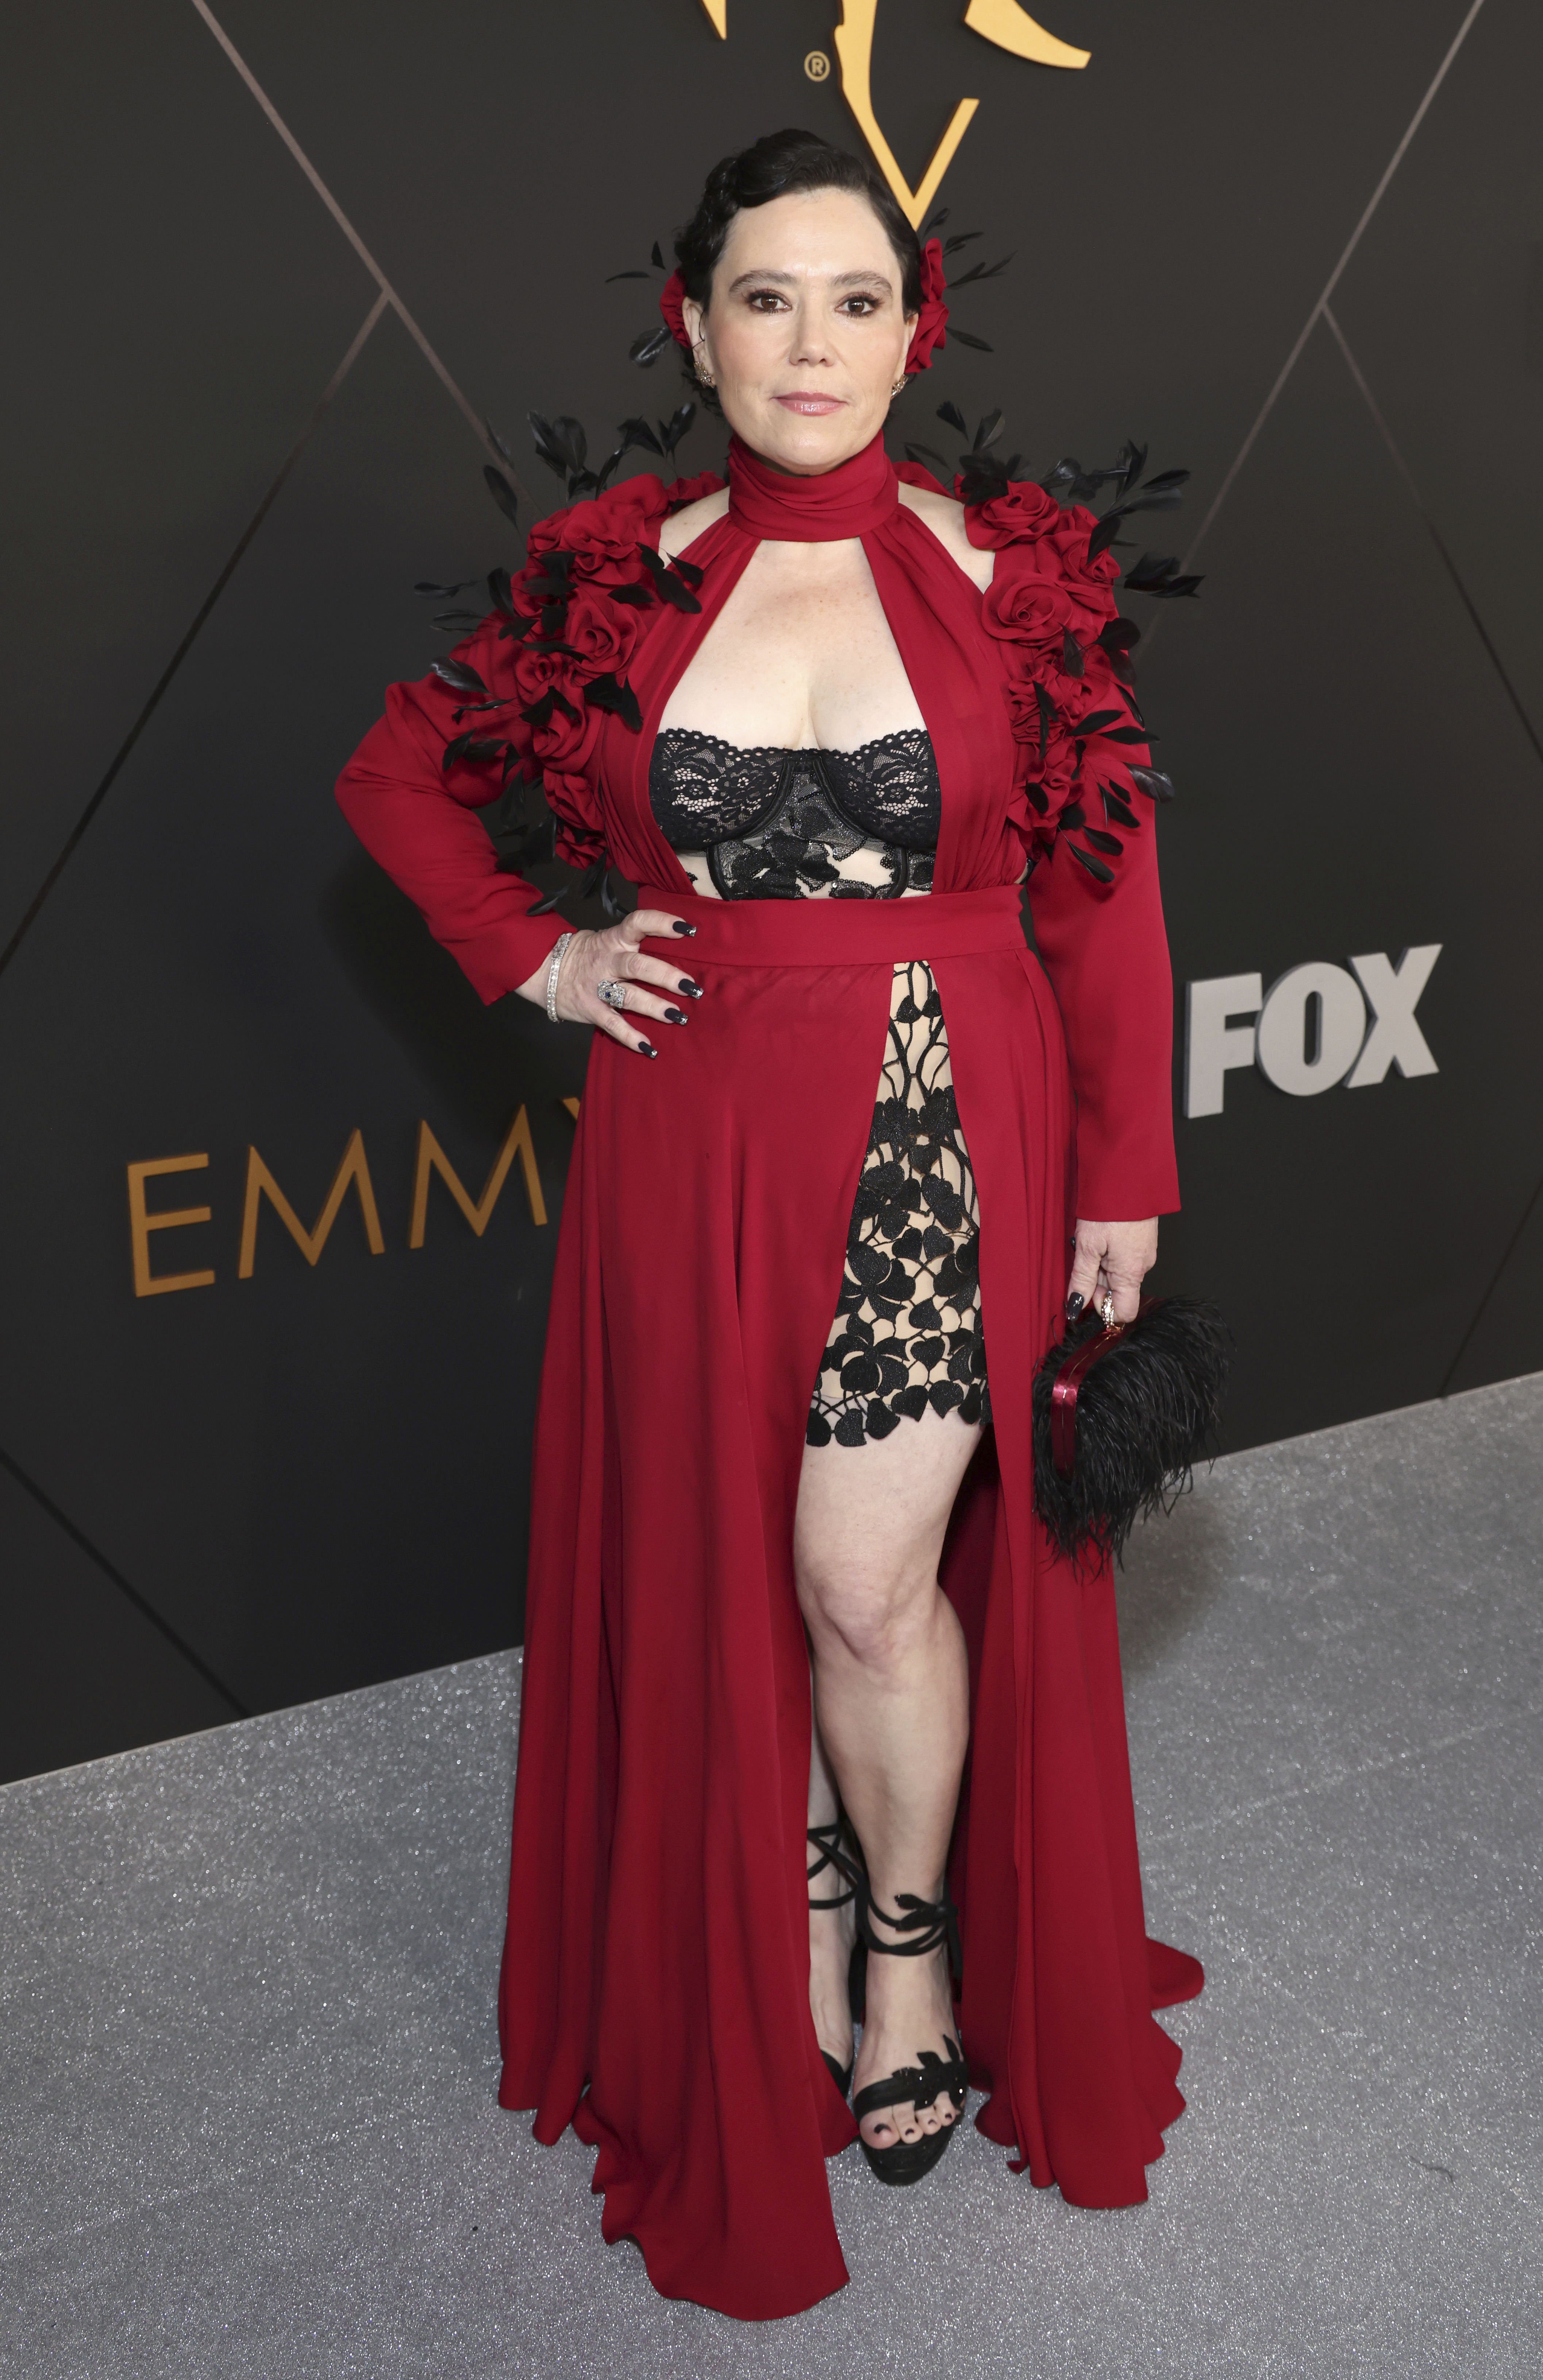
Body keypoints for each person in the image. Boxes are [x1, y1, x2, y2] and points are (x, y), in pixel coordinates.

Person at [336, 127, 1202, 2322]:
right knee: (727, 1571)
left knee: (858, 1580)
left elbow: (1099, 896)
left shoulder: (1010, 577)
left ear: (915, 329)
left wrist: (1125, 1178)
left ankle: (901, 1943)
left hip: (940, 1120)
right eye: (760, 299)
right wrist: (529, 954)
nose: (808, 345)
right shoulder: (612, 575)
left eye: (851, 300)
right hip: (693, 1134)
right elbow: (396, 772)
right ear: (690, 325)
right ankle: (787, 1901)